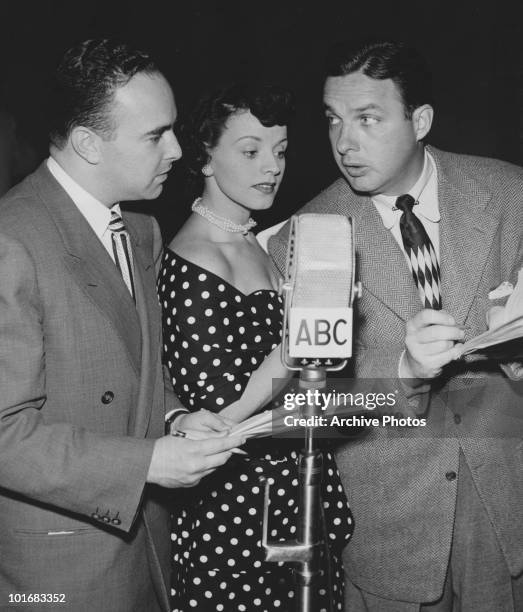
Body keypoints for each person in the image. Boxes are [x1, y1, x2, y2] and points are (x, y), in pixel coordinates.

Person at [268, 40, 523, 611]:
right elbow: (312, 408)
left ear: (421, 120)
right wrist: (403, 373)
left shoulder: (512, 194)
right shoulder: (308, 235)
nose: (344, 142)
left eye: (368, 119)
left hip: (508, 505)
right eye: (333, 120)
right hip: (393, 527)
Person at [0, 39, 244, 612]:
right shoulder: (13, 240)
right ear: (88, 143)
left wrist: (175, 416)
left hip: (143, 553)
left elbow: (136, 370)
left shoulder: (139, 228)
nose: (179, 149)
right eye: (155, 135)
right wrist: (149, 462)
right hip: (57, 575)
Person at [157, 82, 353, 612]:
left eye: (280, 151)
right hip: (236, 508)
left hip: (288, 491)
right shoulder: (195, 262)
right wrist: (294, 349)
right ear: (204, 158)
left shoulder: (251, 240)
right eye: (250, 151)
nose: (271, 166)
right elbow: (218, 416)